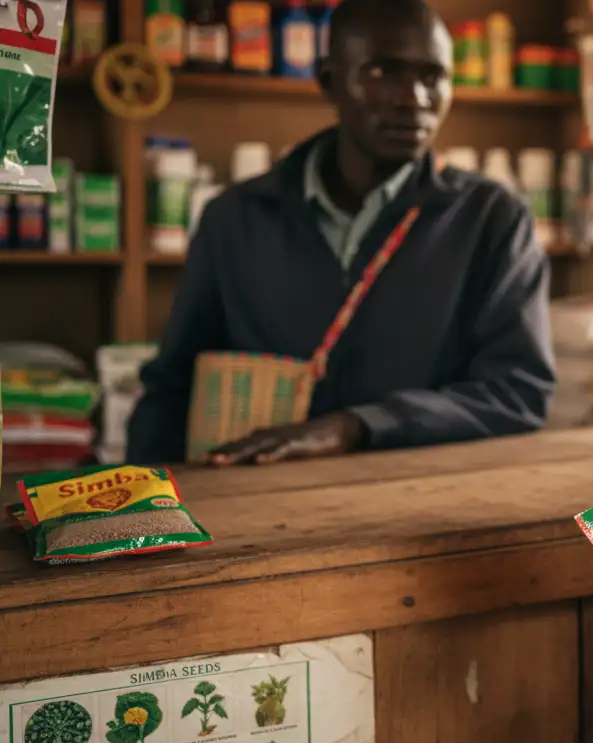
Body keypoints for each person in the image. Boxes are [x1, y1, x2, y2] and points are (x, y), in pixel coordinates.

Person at [126, 0, 555, 466]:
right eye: (382, 72)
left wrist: (358, 427)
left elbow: (517, 393)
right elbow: (171, 389)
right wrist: (141, 510)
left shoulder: (492, 219)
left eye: (432, 76)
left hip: (428, 510)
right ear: (329, 81)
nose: (413, 98)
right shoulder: (234, 218)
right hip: (256, 508)